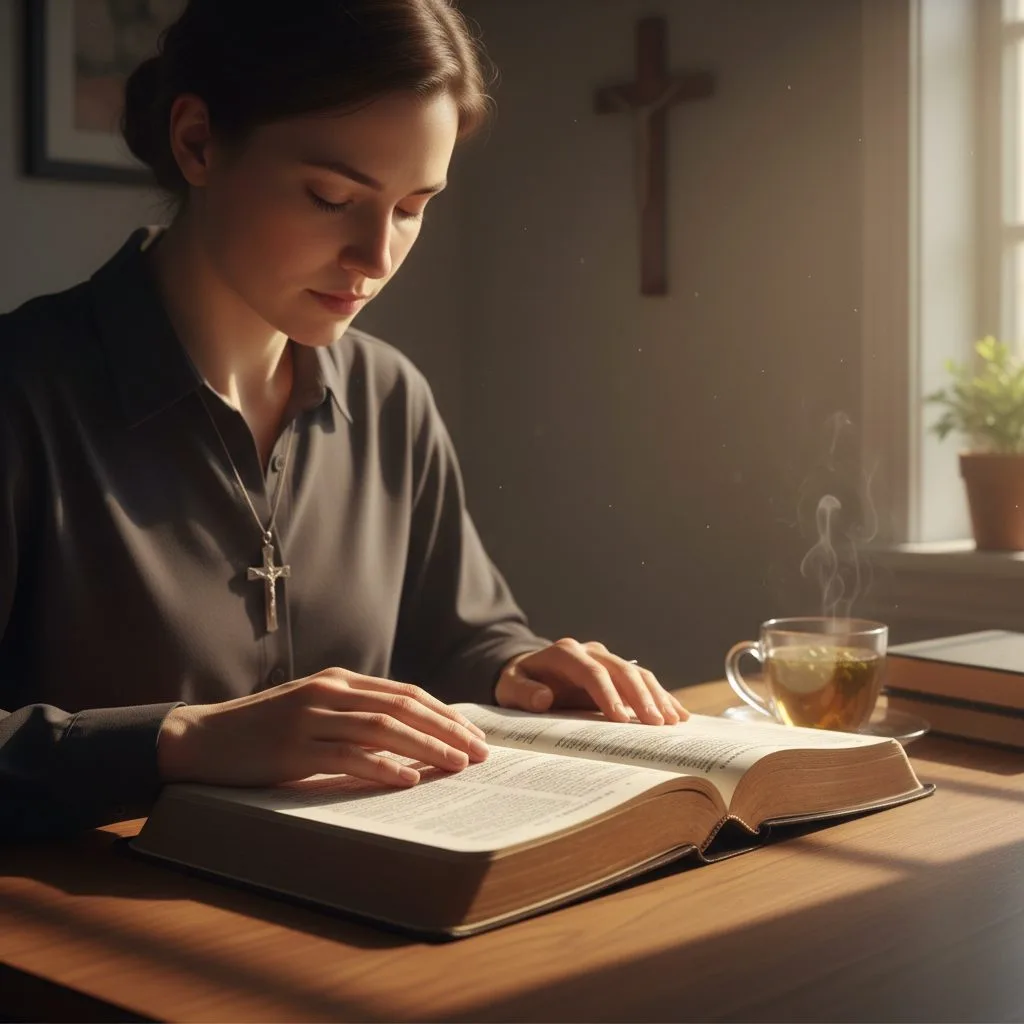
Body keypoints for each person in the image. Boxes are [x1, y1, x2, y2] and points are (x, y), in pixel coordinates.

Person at [0, 0, 687, 841]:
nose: (378, 257)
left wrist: (520, 669)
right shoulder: (23, 393)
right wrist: (181, 738)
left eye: (412, 206)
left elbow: (460, 635)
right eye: (332, 197)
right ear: (198, 143)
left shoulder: (391, 397)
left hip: (356, 915)